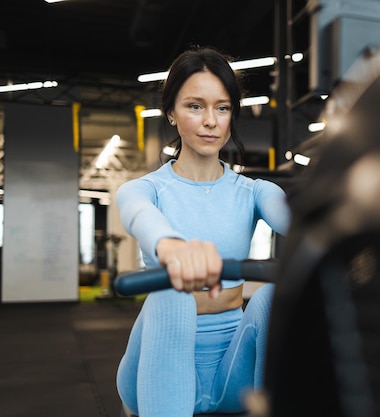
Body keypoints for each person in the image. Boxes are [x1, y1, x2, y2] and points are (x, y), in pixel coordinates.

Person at [115, 46, 291, 417]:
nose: (210, 120)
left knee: (273, 298)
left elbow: (298, 222)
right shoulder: (147, 189)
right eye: (195, 106)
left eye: (222, 108)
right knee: (172, 291)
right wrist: (173, 248)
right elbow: (139, 214)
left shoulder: (255, 192)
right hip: (153, 371)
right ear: (172, 114)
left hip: (233, 373)